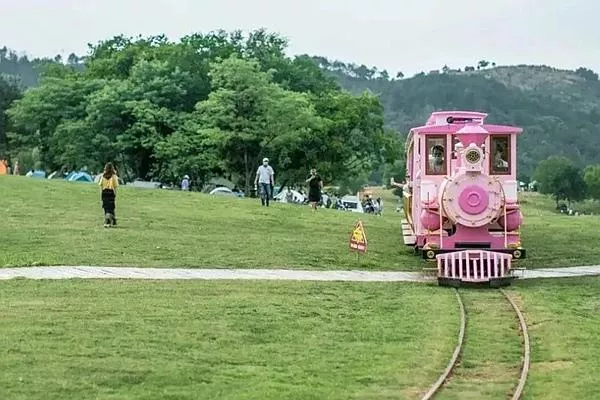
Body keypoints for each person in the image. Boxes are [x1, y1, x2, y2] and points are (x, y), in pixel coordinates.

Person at [98, 162, 119, 228]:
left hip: (104, 193)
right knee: (111, 208)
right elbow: (115, 186)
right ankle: (109, 221)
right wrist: (115, 194)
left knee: (106, 208)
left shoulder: (102, 176)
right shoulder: (114, 176)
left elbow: (100, 185)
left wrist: (101, 193)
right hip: (111, 192)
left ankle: (109, 220)